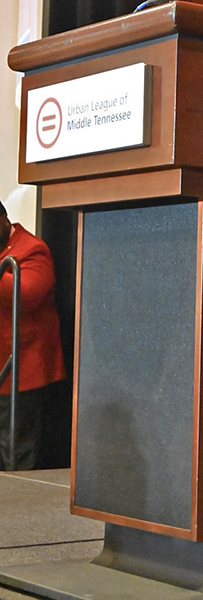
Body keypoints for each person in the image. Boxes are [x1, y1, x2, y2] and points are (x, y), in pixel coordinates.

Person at [0, 201, 66, 470]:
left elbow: (25, 295)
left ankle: (16, 510)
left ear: (4, 219)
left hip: (20, 371)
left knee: (15, 451)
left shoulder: (32, 248)